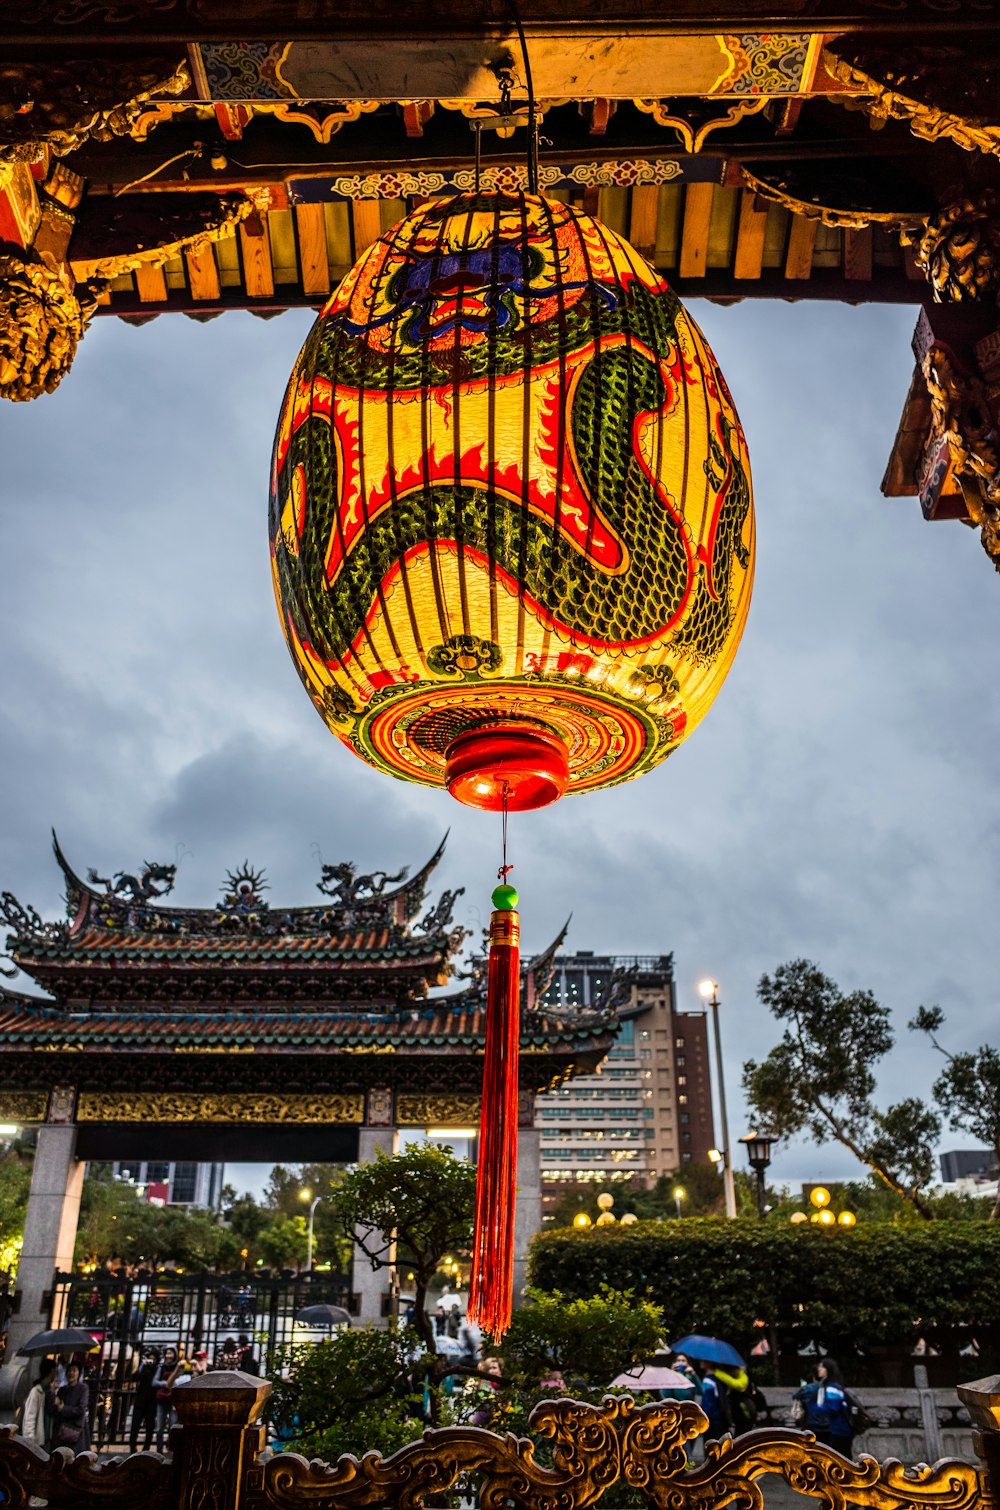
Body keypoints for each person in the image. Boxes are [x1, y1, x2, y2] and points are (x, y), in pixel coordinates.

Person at [793, 1357, 853, 1452]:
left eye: (821, 1367)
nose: (819, 1369)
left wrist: (816, 1407)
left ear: (827, 1369)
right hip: (832, 1429)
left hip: (838, 1430)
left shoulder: (832, 1387)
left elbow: (834, 1408)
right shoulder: (827, 1386)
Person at [51, 1360, 90, 1452]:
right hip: (62, 1431)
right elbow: (54, 1409)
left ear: (79, 1373)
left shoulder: (83, 1388)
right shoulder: (62, 1390)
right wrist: (53, 1392)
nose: (71, 1373)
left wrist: (64, 1409)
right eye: (69, 1371)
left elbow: (81, 1409)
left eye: (74, 1370)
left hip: (76, 1431)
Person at [20, 1358, 57, 1449]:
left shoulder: (50, 1391)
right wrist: (29, 1440)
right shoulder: (36, 1391)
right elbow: (30, 1417)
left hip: (47, 1438)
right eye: (55, 1370)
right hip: (37, 1440)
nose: (56, 1373)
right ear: (51, 1371)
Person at [129, 1347, 160, 1453]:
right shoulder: (144, 1369)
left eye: (153, 1359)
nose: (151, 1361)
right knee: (134, 1428)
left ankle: (146, 1448)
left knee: (149, 1429)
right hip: (140, 1402)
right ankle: (132, 1448)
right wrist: (143, 1365)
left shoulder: (157, 1370)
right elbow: (134, 1377)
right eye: (150, 1358)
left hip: (152, 1404)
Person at [153, 1344, 179, 1451]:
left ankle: (171, 1449)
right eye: (167, 1353)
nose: (169, 1356)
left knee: (173, 1427)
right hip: (162, 1400)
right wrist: (166, 1384)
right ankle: (159, 1450)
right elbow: (154, 1382)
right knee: (159, 1428)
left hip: (173, 1401)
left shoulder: (178, 1367)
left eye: (171, 1353)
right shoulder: (161, 1367)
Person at [697, 1363, 731, 1437]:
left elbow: (707, 1402)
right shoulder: (720, 1378)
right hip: (721, 1417)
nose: (701, 1361)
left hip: (712, 1420)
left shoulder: (708, 1380)